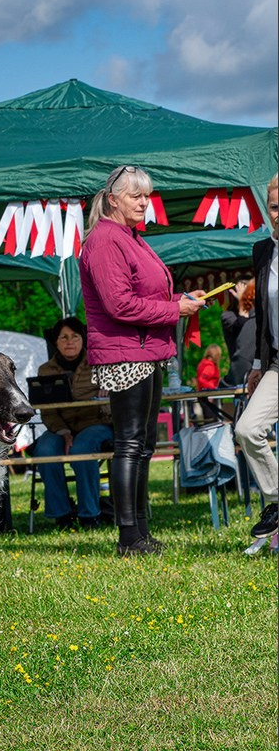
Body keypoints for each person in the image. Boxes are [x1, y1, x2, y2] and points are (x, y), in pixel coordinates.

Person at [79, 165, 205, 557]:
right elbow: (119, 304)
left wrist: (179, 303)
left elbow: (144, 294)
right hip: (124, 353)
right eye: (136, 196)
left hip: (146, 351)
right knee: (130, 444)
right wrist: (174, 310)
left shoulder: (131, 237)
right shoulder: (104, 240)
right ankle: (128, 537)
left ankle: (142, 531)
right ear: (113, 199)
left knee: (144, 444)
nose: (144, 203)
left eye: (147, 196)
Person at [33, 317, 113, 529]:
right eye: (64, 337)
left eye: (75, 336)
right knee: (45, 450)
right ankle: (62, 514)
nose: (69, 342)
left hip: (96, 423)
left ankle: (90, 515)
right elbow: (47, 411)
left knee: (83, 448)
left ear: (83, 339)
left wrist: (107, 394)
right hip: (60, 425)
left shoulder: (100, 363)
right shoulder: (45, 370)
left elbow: (115, 401)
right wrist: (63, 431)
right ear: (56, 342)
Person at [234, 174, 279, 540]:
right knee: (247, 430)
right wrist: (257, 366)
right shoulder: (263, 251)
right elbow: (263, 315)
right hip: (276, 363)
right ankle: (277, 500)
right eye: (275, 206)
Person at [221, 279, 256, 387]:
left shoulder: (256, 315)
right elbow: (242, 327)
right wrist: (242, 303)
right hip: (241, 372)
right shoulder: (227, 316)